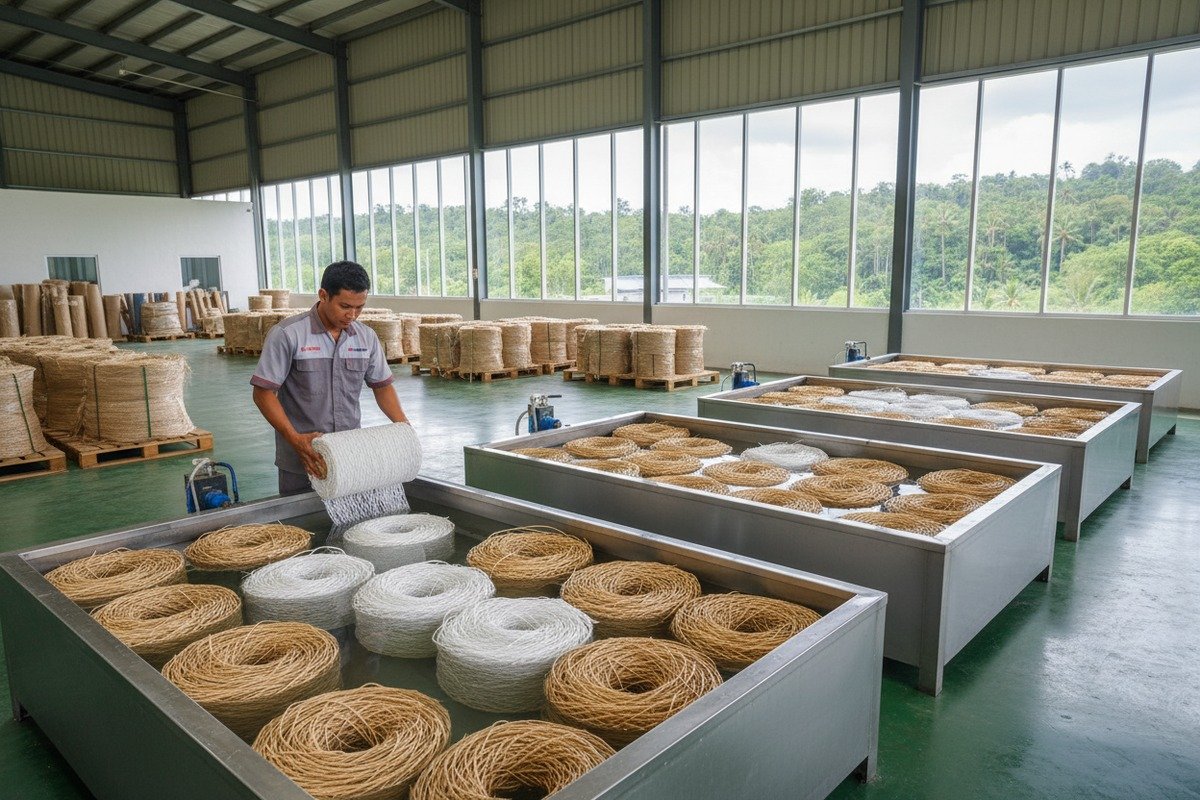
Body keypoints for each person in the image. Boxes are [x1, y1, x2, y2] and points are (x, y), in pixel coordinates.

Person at [251, 261, 409, 495]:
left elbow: (382, 386)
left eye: (360, 307)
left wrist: (404, 427)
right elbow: (263, 394)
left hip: (349, 455)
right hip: (303, 456)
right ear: (323, 295)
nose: (352, 315)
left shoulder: (366, 338)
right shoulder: (288, 334)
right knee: (303, 527)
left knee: (351, 523)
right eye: (345, 306)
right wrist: (296, 440)